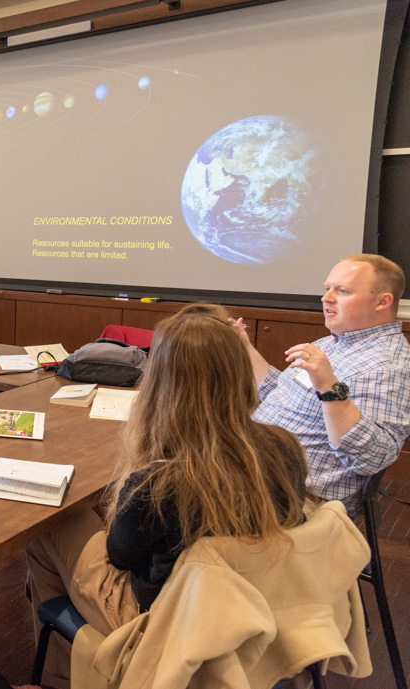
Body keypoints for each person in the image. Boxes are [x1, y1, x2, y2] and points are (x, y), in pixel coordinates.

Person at [24, 311, 310, 686]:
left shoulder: (162, 480)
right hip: (253, 603)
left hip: (167, 622)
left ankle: (63, 674)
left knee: (50, 526)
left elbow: (121, 555)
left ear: (160, 380)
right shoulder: (284, 446)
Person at [239, 253, 410, 516]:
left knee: (166, 500)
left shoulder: (388, 366)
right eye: (327, 288)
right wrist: (243, 347)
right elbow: (281, 394)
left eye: (342, 291)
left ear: (382, 301)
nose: (326, 298)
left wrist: (330, 389)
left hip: (293, 498)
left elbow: (373, 458)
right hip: (252, 470)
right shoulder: (332, 342)